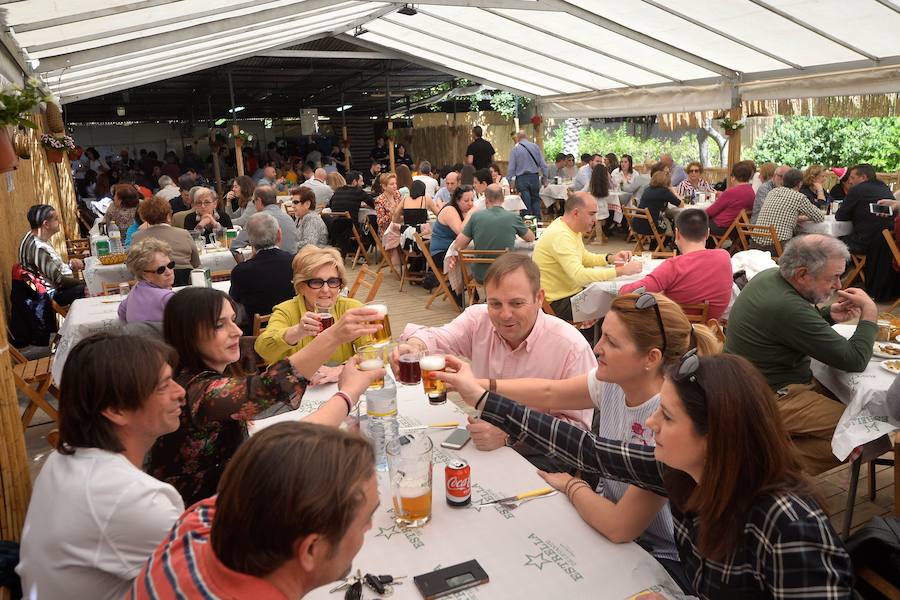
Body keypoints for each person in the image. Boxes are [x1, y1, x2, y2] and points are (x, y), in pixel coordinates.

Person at [437, 352, 852, 599]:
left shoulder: (789, 525)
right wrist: (483, 398)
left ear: (717, 436)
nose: (650, 422)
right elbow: (588, 449)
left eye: (666, 415)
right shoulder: (683, 471)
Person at [476, 293, 720, 589]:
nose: (596, 347)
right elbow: (550, 392)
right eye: (602, 335)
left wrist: (572, 485)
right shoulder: (615, 381)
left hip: (659, 558)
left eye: (612, 342)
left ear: (650, 358)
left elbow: (620, 526)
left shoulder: (666, 423)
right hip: (603, 522)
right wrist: (479, 386)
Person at [148, 286, 383, 504]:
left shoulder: (196, 377)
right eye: (220, 325)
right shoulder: (197, 390)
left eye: (233, 320)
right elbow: (270, 389)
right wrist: (336, 344)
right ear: (187, 334)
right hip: (205, 513)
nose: (237, 331)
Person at [17, 332, 186, 600]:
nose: (181, 391)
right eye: (164, 385)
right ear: (116, 409)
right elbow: (203, 583)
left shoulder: (63, 459)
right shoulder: (136, 499)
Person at [129, 422, 378, 600]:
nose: (370, 527)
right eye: (366, 520)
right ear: (312, 549)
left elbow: (274, 467)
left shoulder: (196, 524)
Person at [397, 254, 596, 470]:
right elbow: (436, 338)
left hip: (541, 455)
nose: (505, 315)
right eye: (495, 303)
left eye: (516, 303)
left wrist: (510, 435)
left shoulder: (571, 347)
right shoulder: (478, 319)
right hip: (484, 437)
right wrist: (414, 346)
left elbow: (578, 433)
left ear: (539, 298)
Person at [725, 234, 878, 474]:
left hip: (748, 387)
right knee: (868, 435)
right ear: (803, 274)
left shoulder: (770, 277)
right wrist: (869, 313)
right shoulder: (786, 305)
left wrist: (827, 315)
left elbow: (791, 326)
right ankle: (761, 463)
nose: (838, 285)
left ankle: (764, 449)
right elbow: (854, 359)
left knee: (854, 406)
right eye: (834, 277)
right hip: (769, 397)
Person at [256, 245, 373, 369]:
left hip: (341, 384)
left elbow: (374, 350)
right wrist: (297, 331)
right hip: (300, 386)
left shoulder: (351, 309)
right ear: (301, 286)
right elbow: (264, 350)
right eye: (316, 282)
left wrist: (341, 370)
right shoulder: (286, 311)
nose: (326, 290)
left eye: (333, 281)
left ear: (340, 285)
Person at [532, 192, 639, 325]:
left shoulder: (568, 229)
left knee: (613, 300)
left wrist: (610, 258)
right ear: (576, 213)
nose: (596, 219)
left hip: (565, 295)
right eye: (591, 214)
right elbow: (579, 275)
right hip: (556, 303)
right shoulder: (561, 235)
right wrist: (621, 271)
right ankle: (599, 341)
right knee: (618, 306)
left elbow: (584, 257)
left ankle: (598, 338)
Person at [620, 209, 733, 320]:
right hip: (709, 329)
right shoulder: (724, 257)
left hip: (674, 328)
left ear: (677, 233)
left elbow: (627, 293)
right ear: (707, 233)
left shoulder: (672, 266)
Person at [835, 163, 899, 300]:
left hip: (867, 243)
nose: (850, 181)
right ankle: (853, 277)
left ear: (863, 177)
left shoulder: (857, 190)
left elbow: (840, 216)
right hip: (887, 243)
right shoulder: (884, 188)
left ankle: (836, 278)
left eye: (852, 177)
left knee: (833, 241)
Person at [450, 184, 534, 281]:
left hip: (481, 274)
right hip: (505, 274)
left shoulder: (476, 217)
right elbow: (530, 238)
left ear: (486, 200)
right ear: (503, 200)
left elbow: (458, 246)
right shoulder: (513, 217)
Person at [229, 212, 295, 334]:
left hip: (257, 334)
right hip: (293, 328)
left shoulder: (241, 271)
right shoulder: (295, 262)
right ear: (279, 235)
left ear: (251, 241)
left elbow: (233, 302)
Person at [18, 204, 86, 305]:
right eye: (56, 219)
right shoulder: (38, 248)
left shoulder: (34, 236)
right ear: (46, 224)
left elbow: (52, 269)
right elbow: (60, 281)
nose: (60, 222)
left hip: (57, 286)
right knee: (91, 288)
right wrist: (84, 283)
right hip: (51, 295)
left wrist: (69, 266)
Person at [131, 195, 200, 287]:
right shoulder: (183, 234)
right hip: (185, 281)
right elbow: (196, 263)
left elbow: (134, 268)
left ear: (144, 217)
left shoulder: (137, 237)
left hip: (153, 283)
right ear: (168, 215)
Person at [754, 168, 823, 249]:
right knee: (805, 246)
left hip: (755, 243)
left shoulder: (772, 192)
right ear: (799, 184)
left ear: (783, 181)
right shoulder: (799, 197)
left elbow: (779, 214)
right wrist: (806, 217)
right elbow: (819, 217)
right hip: (777, 245)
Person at [119, 239, 176, 323]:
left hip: (135, 335)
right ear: (145, 275)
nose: (169, 272)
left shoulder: (136, 289)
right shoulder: (168, 298)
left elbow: (121, 311)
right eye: (161, 270)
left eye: (170, 265)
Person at [230, 186, 299, 254]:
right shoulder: (288, 218)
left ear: (259, 201)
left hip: (268, 263)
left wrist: (243, 264)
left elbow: (235, 247)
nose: (254, 205)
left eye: (254, 201)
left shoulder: (257, 220)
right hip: (291, 263)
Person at [429, 185, 475, 269]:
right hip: (442, 254)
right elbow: (461, 232)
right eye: (466, 201)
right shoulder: (449, 210)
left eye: (472, 200)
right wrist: (470, 213)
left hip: (455, 250)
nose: (470, 204)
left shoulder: (463, 211)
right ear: (457, 201)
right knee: (477, 259)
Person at [706, 160, 756, 236]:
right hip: (738, 227)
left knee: (694, 221)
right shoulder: (751, 191)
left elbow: (710, 212)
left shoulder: (731, 192)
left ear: (733, 177)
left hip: (723, 226)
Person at [507, 130, 547, 218]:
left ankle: (527, 223)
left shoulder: (515, 149)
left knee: (525, 202)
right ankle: (537, 221)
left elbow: (511, 168)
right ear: (526, 137)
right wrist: (545, 178)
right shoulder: (535, 147)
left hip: (522, 179)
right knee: (536, 200)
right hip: (534, 177)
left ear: (518, 138)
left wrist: (509, 181)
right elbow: (543, 164)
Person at [633, 167, 680, 237]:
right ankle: (669, 243)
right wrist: (672, 189)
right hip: (650, 227)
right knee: (670, 223)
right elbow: (680, 204)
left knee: (663, 219)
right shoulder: (664, 191)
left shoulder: (648, 189)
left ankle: (655, 246)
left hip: (637, 225)